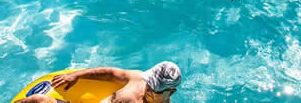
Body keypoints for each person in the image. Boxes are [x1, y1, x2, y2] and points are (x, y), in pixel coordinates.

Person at [15, 62, 182, 103]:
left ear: (171, 92)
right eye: (149, 85)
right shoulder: (137, 78)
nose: (149, 90)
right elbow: (109, 74)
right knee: (39, 100)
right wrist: (76, 75)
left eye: (155, 91)